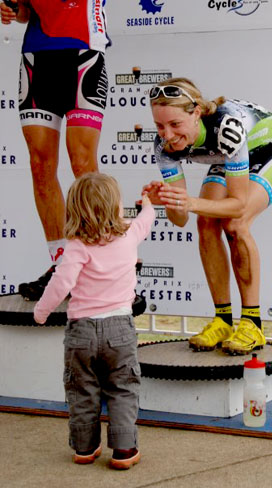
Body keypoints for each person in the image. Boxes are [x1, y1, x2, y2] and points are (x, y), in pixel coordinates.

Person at [143, 78, 272, 355]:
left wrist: (191, 201)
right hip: (229, 156)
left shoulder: (225, 127)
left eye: (175, 125)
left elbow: (238, 205)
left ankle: (252, 324)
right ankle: (223, 320)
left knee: (235, 223)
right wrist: (169, 201)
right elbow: (180, 219)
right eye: (160, 126)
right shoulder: (163, 146)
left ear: (196, 114)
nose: (167, 134)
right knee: (205, 221)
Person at [34, 172, 155, 468]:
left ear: (75, 210)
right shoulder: (129, 235)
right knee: (123, 388)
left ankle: (85, 448)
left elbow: (61, 283)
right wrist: (148, 204)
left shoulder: (77, 246)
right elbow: (146, 221)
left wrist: (41, 312)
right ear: (116, 207)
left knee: (81, 390)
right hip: (120, 331)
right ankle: (124, 450)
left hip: (81, 332)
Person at [0, 0, 110, 300]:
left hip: (83, 53)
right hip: (36, 58)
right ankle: (62, 263)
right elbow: (24, 12)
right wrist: (12, 11)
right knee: (40, 165)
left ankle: (99, 263)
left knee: (83, 163)